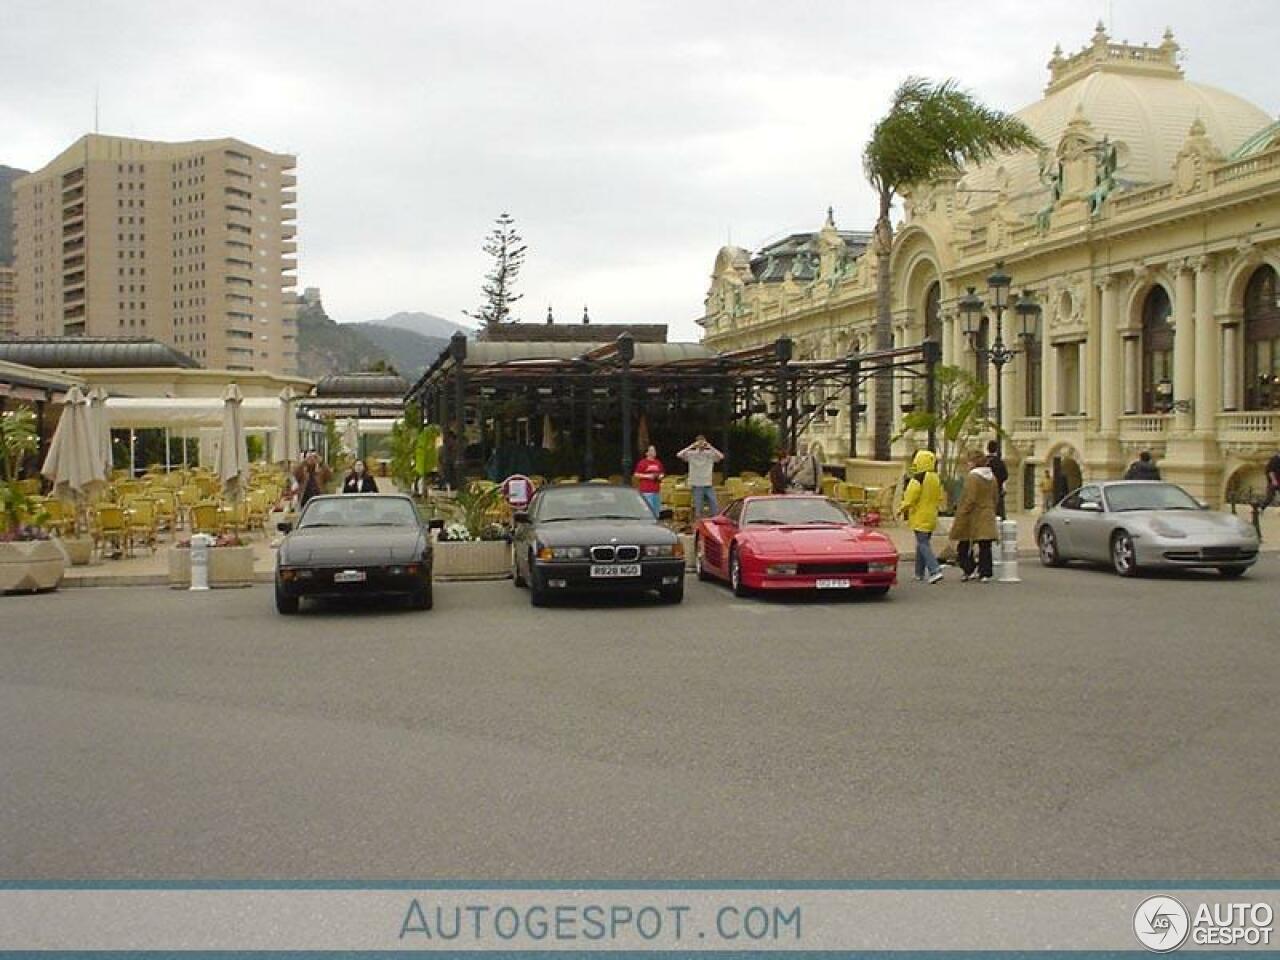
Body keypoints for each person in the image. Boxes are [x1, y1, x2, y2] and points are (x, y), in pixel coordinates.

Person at [950, 449, 999, 582]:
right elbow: (996, 497)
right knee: (985, 545)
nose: (967, 464)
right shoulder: (992, 477)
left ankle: (968, 569)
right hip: (988, 512)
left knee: (963, 544)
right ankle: (985, 573)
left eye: (969, 461)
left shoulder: (973, 477)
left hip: (973, 515)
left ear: (973, 462)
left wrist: (962, 512)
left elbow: (970, 498)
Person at [900, 449, 945, 584]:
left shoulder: (917, 479)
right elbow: (940, 497)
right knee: (921, 543)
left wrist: (901, 508)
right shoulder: (935, 478)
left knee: (923, 543)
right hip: (931, 515)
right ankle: (919, 573)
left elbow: (910, 497)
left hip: (919, 515)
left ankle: (935, 570)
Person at [678, 434, 724, 518]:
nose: (701, 445)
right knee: (698, 507)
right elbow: (679, 455)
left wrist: (710, 446)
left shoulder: (709, 454)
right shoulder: (691, 454)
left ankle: (714, 520)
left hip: (708, 484)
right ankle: (698, 523)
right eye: (699, 443)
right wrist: (691, 446)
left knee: (714, 504)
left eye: (702, 443)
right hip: (696, 484)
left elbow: (721, 456)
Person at [633, 445, 665, 516]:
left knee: (656, 510)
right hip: (646, 490)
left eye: (654, 450)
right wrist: (647, 476)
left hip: (656, 490)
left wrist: (660, 476)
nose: (653, 452)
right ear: (647, 453)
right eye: (651, 450)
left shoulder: (658, 462)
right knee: (649, 510)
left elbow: (662, 473)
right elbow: (636, 474)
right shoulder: (642, 463)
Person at [986, 439, 1008, 519]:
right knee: (999, 515)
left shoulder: (984, 461)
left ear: (987, 449)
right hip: (998, 490)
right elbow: (1005, 476)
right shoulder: (999, 462)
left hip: (985, 491)